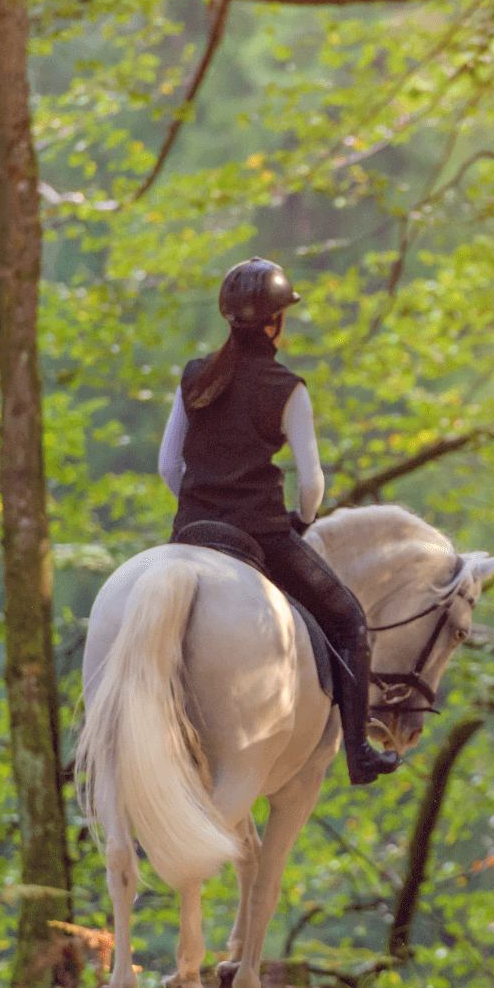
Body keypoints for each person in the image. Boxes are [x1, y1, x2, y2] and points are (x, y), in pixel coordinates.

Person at [158, 257, 401, 787]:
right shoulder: (287, 388)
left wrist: (204, 505)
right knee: (348, 621)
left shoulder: (196, 376)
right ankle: (359, 751)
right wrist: (300, 521)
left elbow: (168, 467)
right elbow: (311, 485)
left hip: (191, 532)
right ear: (274, 324)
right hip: (260, 535)